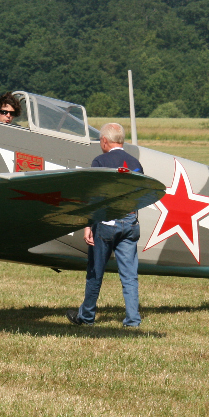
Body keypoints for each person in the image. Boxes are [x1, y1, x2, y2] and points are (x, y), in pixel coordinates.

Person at [67, 123, 143, 328]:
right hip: (130, 222)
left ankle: (87, 316)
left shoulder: (100, 161)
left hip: (107, 224)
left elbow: (95, 196)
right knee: (129, 276)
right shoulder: (136, 162)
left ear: (104, 141)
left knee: (95, 271)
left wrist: (87, 226)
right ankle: (133, 320)